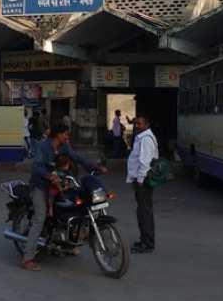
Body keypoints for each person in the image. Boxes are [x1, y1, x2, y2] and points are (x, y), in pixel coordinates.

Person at [21, 124, 106, 271]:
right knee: (40, 219)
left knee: (76, 207)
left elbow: (78, 158)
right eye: (65, 134)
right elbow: (36, 167)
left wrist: (96, 167)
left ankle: (68, 243)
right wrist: (49, 176)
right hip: (41, 186)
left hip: (60, 184)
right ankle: (27, 258)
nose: (67, 137)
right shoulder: (42, 146)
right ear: (58, 134)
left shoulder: (64, 147)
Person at [126, 115, 158, 254]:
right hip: (141, 180)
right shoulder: (142, 137)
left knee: (144, 212)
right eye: (136, 123)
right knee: (142, 211)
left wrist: (139, 181)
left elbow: (145, 162)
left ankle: (147, 243)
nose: (137, 126)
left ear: (146, 124)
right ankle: (144, 239)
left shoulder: (145, 139)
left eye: (140, 124)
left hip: (143, 181)